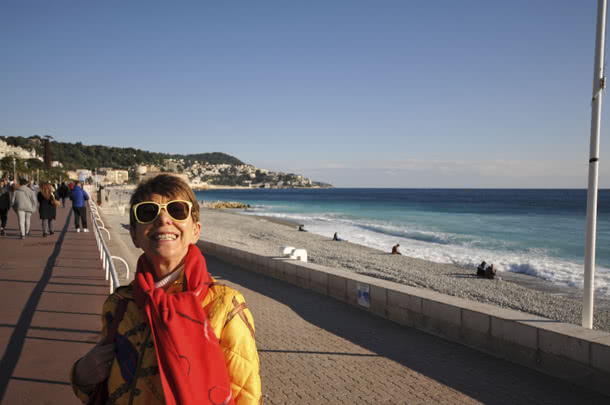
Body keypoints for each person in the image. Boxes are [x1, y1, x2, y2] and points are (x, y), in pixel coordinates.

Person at [70, 174, 262, 405]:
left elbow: (246, 396)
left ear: (195, 230)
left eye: (177, 210)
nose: (163, 219)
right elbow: (102, 387)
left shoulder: (225, 305)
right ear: (133, 234)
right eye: (148, 212)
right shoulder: (119, 303)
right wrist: (80, 375)